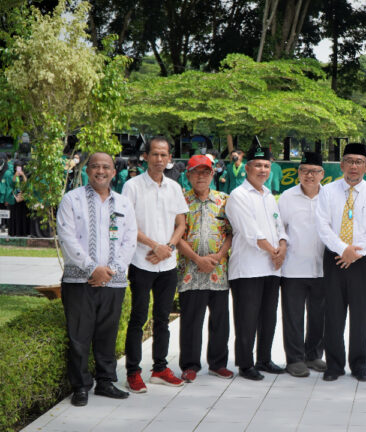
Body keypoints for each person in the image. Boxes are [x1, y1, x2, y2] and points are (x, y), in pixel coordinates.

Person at [57, 152, 137, 406]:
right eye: (95, 167)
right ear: (86, 171)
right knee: (79, 335)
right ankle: (80, 386)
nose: (100, 171)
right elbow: (67, 238)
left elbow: (130, 240)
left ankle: (105, 382)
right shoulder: (71, 200)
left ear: (114, 172)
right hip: (79, 281)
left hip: (113, 281)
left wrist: (110, 270)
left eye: (106, 167)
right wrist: (93, 269)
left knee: (107, 333)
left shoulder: (124, 203)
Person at [121, 136, 189, 392]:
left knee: (162, 319)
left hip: (167, 265)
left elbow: (181, 223)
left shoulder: (174, 187)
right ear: (146, 157)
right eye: (155, 154)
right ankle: (133, 372)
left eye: (164, 155)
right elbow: (129, 225)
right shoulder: (132, 186)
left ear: (170, 158)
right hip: (141, 262)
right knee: (138, 318)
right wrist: (154, 246)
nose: (160, 159)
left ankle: (159, 368)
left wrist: (168, 248)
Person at [316, 143, 366, 382]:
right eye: (349, 161)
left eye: (359, 162)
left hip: (362, 260)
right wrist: (343, 249)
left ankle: (359, 364)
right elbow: (322, 225)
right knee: (333, 311)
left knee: (360, 312)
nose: (354, 166)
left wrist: (356, 252)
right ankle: (334, 365)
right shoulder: (327, 191)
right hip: (334, 257)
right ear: (342, 164)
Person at [225, 146, 288, 380]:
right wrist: (275, 251)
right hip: (248, 268)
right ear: (247, 168)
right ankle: (245, 363)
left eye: (266, 166)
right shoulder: (238, 196)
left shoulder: (269, 196)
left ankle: (264, 359)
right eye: (258, 165)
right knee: (247, 318)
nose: (263, 170)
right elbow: (250, 231)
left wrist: (282, 246)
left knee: (268, 317)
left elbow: (278, 225)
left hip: (271, 267)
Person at [176, 155, 234, 383]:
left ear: (212, 175)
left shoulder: (224, 200)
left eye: (205, 172)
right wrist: (197, 259)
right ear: (188, 175)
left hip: (218, 271)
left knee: (220, 319)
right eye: (196, 172)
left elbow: (231, 232)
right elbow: (176, 235)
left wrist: (219, 256)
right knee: (191, 319)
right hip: (190, 270)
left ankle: (218, 363)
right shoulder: (180, 201)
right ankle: (190, 365)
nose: (201, 176)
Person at [278, 152, 328, 377]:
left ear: (322, 174)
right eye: (305, 171)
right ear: (298, 173)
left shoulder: (330, 196)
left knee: (320, 315)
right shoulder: (287, 197)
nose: (310, 175)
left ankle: (314, 355)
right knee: (293, 316)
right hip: (294, 266)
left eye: (314, 171)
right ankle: (295, 359)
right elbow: (279, 229)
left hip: (323, 267)